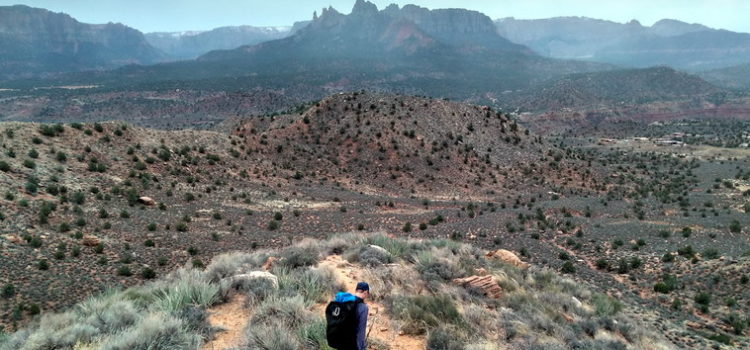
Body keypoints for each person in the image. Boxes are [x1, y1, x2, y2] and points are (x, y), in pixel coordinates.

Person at [326, 282, 370, 350]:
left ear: (356, 290)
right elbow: (361, 330)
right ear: (366, 292)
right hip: (351, 343)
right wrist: (361, 347)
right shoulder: (363, 307)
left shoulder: (344, 302)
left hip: (339, 341)